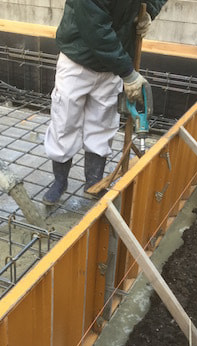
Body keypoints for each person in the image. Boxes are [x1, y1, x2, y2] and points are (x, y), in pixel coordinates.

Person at [42, 0, 167, 205]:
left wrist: (149, 11)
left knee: (103, 121)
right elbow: (95, 29)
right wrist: (128, 73)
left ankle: (94, 182)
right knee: (65, 120)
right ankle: (60, 181)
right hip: (79, 56)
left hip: (114, 64)